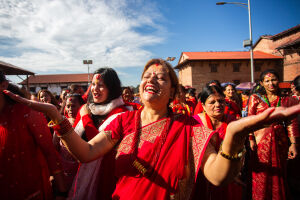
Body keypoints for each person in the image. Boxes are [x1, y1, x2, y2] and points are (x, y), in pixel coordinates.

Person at [4, 59, 300, 200]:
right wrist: (57, 116)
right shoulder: (124, 121)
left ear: (173, 91)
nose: (152, 79)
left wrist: (233, 135)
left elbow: (218, 176)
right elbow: (85, 153)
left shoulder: (189, 128)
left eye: (161, 77)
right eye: (148, 75)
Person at [0, 72, 67, 199]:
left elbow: (50, 153)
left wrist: (61, 192)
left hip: (30, 192)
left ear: (3, 85)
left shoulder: (26, 112)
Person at [69, 67, 132, 199]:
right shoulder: (86, 108)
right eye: (93, 84)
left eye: (101, 85)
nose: (95, 89)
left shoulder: (122, 113)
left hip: (107, 175)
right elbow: (74, 141)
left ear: (112, 89)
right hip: (80, 171)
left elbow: (97, 145)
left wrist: (85, 118)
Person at [247, 69, 299, 200]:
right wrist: (251, 139)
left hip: (280, 140)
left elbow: (291, 123)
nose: (271, 83)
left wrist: (293, 144)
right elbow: (249, 119)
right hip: (260, 141)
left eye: (274, 80)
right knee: (262, 172)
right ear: (262, 83)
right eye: (267, 81)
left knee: (279, 171)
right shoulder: (255, 98)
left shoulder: (286, 100)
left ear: (279, 81)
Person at [193, 85, 242, 200]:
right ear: (203, 106)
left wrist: (235, 170)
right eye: (212, 102)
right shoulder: (195, 122)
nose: (218, 105)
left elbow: (239, 148)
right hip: (202, 172)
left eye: (220, 101)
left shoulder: (231, 121)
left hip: (227, 170)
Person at [53, 93, 85, 193]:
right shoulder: (60, 122)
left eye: (73, 106)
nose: (70, 109)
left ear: (82, 107)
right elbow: (54, 147)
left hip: (82, 170)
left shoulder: (86, 124)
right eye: (68, 106)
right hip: (64, 169)